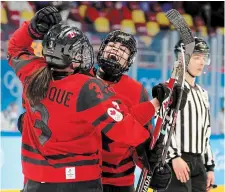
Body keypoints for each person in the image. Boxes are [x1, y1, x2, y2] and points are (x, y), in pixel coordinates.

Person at [8, 7, 178, 192]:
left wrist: (32, 29)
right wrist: (150, 149)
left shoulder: (32, 71)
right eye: (80, 52)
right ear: (71, 58)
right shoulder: (86, 87)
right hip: (79, 182)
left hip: (34, 180)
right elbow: (124, 128)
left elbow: (15, 48)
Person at [92, 30, 188, 192]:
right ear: (102, 49)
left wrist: (153, 168)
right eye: (112, 45)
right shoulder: (82, 79)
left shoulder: (136, 91)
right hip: (84, 178)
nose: (116, 50)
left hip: (120, 182)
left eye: (123, 50)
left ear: (129, 60)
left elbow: (142, 143)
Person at [153, 37, 215, 192]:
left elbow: (205, 131)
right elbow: (162, 125)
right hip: (177, 161)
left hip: (198, 164)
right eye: (196, 57)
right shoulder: (170, 88)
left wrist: (209, 166)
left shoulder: (203, 93)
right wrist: (173, 157)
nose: (201, 62)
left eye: (203, 58)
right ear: (182, 59)